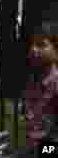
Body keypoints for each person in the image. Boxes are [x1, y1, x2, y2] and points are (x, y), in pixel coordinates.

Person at [25, 21, 58, 151]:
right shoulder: (34, 79)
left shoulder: (55, 84)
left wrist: (45, 150)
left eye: (41, 45)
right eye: (32, 44)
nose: (33, 49)